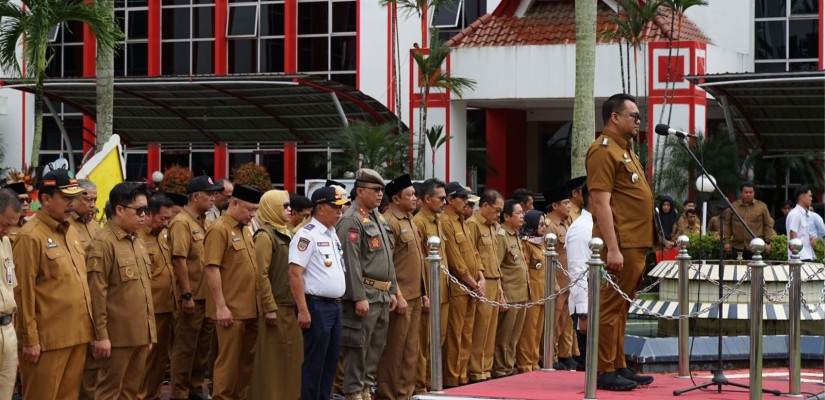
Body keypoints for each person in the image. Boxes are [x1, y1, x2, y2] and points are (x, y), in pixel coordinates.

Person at [586, 93, 655, 391]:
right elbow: (600, 203)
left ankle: (618, 365)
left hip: (636, 242)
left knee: (622, 308)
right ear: (615, 117)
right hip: (621, 242)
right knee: (610, 307)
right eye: (634, 116)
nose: (638, 121)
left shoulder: (625, 150)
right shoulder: (603, 151)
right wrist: (612, 248)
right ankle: (603, 370)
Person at [13, 170, 95, 400]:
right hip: (47, 341)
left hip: (77, 334)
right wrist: (29, 340)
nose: (72, 204)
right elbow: (23, 292)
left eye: (74, 198)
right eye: (66, 198)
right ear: (46, 199)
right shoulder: (30, 236)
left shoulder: (70, 232)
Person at [203, 185, 275, 400]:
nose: (252, 215)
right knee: (228, 363)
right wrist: (221, 307)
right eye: (249, 209)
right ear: (234, 203)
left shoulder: (244, 229)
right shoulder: (219, 229)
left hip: (250, 309)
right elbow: (211, 268)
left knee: (246, 363)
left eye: (255, 210)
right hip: (231, 311)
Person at [86, 182, 156, 399]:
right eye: (139, 210)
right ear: (119, 209)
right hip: (115, 337)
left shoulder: (136, 240)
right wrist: (101, 336)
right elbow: (97, 294)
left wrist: (150, 331)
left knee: (131, 391)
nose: (144, 216)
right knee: (109, 391)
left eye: (146, 210)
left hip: (138, 333)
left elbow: (144, 290)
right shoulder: (103, 243)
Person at [336, 168, 398, 400]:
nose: (380, 194)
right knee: (357, 350)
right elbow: (350, 263)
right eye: (375, 190)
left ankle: (365, 391)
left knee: (374, 350)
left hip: (381, 295)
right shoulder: (351, 220)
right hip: (365, 295)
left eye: (382, 190)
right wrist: (358, 296)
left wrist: (391, 290)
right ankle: (354, 393)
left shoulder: (377, 217)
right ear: (360, 191)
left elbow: (386, 259)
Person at [288, 186, 349, 400]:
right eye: (335, 207)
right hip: (317, 306)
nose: (339, 212)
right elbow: (295, 274)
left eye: (341, 207)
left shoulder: (332, 234)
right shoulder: (306, 236)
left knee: (330, 362)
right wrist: (303, 310)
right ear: (320, 208)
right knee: (315, 363)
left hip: (334, 306)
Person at [168, 175, 223, 400]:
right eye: (209, 194)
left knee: (202, 352)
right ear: (195, 196)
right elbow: (179, 260)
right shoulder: (182, 222)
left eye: (214, 194)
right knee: (185, 350)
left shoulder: (204, 221)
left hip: (206, 297)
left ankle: (194, 391)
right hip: (191, 298)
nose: (213, 198)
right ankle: (179, 394)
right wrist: (187, 294)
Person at [376, 174, 427, 400]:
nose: (415, 198)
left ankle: (405, 393)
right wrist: (396, 294)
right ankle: (389, 394)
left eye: (415, 194)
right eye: (411, 195)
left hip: (415, 295)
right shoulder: (389, 222)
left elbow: (417, 261)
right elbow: (387, 264)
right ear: (396, 199)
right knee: (394, 351)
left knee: (410, 350)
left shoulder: (409, 219)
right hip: (400, 297)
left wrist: (423, 293)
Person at [250, 190, 302, 400]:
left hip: (292, 306)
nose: (290, 209)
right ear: (271, 208)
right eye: (285, 206)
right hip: (276, 307)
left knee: (291, 359)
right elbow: (260, 274)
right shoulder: (265, 235)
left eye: (289, 205)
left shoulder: (289, 233)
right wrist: (269, 306)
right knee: (272, 360)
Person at [440, 182, 483, 387]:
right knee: (454, 335)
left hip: (472, 285)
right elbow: (455, 261)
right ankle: (451, 377)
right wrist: (473, 283)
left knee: (467, 334)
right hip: (458, 286)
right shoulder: (446, 221)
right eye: (462, 198)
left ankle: (461, 374)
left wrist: (480, 276)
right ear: (450, 199)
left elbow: (474, 251)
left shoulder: (462, 221)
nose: (466, 202)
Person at [412, 178, 450, 394]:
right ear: (427, 199)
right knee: (424, 342)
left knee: (438, 340)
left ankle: (433, 382)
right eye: (441, 198)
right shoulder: (419, 224)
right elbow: (418, 263)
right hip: (429, 293)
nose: (445, 202)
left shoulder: (438, 221)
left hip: (443, 290)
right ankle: (421, 385)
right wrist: (424, 293)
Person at [137, 193, 177, 400]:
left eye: (168, 218)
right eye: (163, 218)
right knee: (146, 361)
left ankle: (153, 395)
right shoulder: (138, 238)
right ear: (149, 214)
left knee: (161, 361)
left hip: (167, 308)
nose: (166, 223)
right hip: (149, 310)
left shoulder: (162, 235)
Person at [467, 189, 504, 382]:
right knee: (480, 328)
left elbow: (494, 258)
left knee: (490, 329)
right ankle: (475, 369)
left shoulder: (493, 226)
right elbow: (471, 255)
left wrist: (499, 287)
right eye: (496, 210)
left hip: (494, 279)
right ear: (485, 206)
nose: (498, 215)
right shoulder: (473, 224)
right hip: (481, 282)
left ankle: (486, 368)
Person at [70, 179, 101, 400]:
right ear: (74, 199)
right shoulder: (66, 225)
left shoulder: (94, 225)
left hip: (96, 299)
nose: (92, 204)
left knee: (94, 362)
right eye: (87, 199)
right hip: (75, 303)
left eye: (95, 200)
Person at [491, 199, 527, 378]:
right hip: (509, 294)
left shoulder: (515, 234)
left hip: (521, 294)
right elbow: (496, 268)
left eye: (522, 213)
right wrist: (500, 295)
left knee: (513, 337)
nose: (522, 216)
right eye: (518, 213)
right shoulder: (501, 236)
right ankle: (500, 369)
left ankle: (508, 366)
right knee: (504, 337)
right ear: (506, 216)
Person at [542, 185, 575, 371]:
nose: (569, 206)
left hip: (568, 280)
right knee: (553, 322)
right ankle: (550, 356)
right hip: (556, 281)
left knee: (565, 321)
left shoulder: (565, 224)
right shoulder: (549, 226)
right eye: (565, 203)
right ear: (554, 205)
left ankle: (564, 354)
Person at [515, 209, 546, 373]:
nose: (543, 227)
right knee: (529, 330)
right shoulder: (526, 243)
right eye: (540, 224)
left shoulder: (542, 242)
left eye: (544, 223)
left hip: (542, 292)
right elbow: (524, 269)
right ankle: (525, 364)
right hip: (531, 293)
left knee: (538, 330)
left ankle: (534, 361)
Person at [566, 182, 592, 369]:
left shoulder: (596, 224)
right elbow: (578, 271)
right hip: (587, 301)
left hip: (602, 295)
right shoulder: (581, 228)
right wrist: (583, 314)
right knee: (588, 361)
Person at [0, 189, 21, 399]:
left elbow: (10, 288)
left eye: (11, 225)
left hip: (7, 329)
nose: (7, 230)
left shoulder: (6, 242)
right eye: (4, 223)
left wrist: (12, 336)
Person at [723, 182, 774, 260]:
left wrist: (767, 242)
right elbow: (727, 224)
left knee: (754, 270)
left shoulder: (762, 207)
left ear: (754, 193)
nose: (748, 194)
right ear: (741, 193)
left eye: (750, 192)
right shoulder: (734, 206)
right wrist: (727, 242)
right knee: (738, 270)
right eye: (746, 192)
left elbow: (768, 225)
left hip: (755, 246)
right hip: (737, 246)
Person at [787, 186, 816, 262]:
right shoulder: (795, 214)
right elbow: (793, 236)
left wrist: (810, 237)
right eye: (809, 196)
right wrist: (794, 257)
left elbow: (801, 233)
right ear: (802, 197)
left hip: (805, 255)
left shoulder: (802, 213)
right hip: (799, 257)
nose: (811, 199)